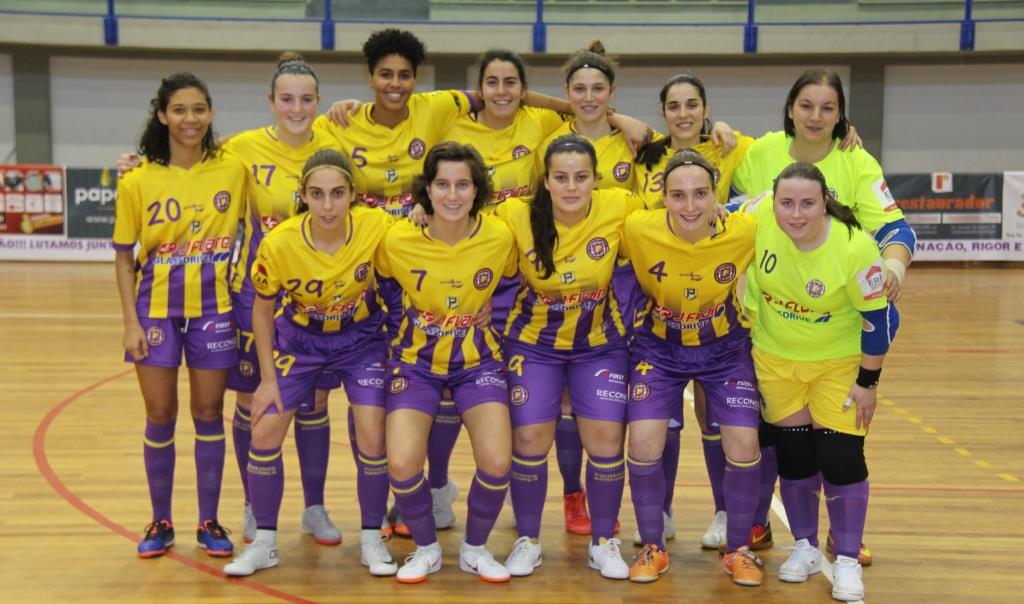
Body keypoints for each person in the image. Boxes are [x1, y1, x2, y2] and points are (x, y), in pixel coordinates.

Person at [732, 68, 916, 563]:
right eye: (807, 105)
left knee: (837, 443)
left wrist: (893, 266)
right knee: (776, 438)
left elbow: (896, 228)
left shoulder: (856, 160)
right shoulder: (761, 152)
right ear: (790, 109)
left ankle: (842, 534)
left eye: (828, 108)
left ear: (841, 116)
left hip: (839, 331)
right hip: (770, 328)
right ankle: (766, 526)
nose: (816, 116)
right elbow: (726, 203)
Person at [223, 149, 397, 577]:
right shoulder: (280, 241)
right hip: (300, 340)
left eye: (337, 193)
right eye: (317, 194)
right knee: (264, 427)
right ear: (302, 195)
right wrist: (267, 380)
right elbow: (262, 311)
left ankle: (371, 539)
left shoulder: (377, 225)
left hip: (361, 339)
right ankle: (264, 543)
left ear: (353, 194)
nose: (327, 205)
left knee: (373, 433)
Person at [744, 162, 898, 602]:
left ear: (825, 202)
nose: (796, 214)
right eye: (786, 203)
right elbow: (723, 211)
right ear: (773, 202)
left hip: (838, 363)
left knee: (840, 455)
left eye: (807, 204)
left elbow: (878, 320)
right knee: (794, 454)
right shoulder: (759, 217)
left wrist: (868, 383)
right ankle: (806, 547)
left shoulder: (855, 248)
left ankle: (847, 558)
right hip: (776, 359)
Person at [496, 133, 643, 580]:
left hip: (599, 344)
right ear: (545, 181)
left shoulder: (620, 206)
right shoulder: (515, 214)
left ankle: (603, 542)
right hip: (532, 344)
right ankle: (528, 540)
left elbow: (675, 214)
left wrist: (719, 211)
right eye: (561, 178)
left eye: (581, 177)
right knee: (529, 440)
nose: (572, 187)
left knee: (606, 440)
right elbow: (463, 223)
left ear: (596, 179)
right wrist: (422, 210)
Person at [113, 72, 246, 559]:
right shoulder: (138, 179)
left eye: (199, 109)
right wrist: (130, 322)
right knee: (160, 415)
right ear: (163, 115)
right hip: (155, 312)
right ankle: (160, 520)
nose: (190, 119)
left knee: (208, 414)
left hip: (215, 310)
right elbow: (123, 256)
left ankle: (209, 520)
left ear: (211, 114)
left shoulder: (235, 169)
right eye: (180, 110)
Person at [375, 142, 518, 584]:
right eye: (442, 185)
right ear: (427, 190)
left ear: (477, 191)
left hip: (478, 361)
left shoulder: (500, 236)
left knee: (497, 461)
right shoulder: (397, 238)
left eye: (462, 185)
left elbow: (516, 281)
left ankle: (475, 549)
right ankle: (426, 549)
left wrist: (493, 310)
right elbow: (381, 285)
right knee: (402, 464)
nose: (452, 195)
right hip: (415, 362)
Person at [621, 149, 764, 585]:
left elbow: (787, 202)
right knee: (643, 442)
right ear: (663, 197)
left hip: (725, 349)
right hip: (658, 349)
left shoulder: (744, 229)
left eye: (701, 194)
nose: (689, 206)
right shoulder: (637, 227)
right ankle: (652, 546)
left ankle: (738, 549)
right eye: (678, 195)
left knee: (743, 443)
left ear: (715, 195)